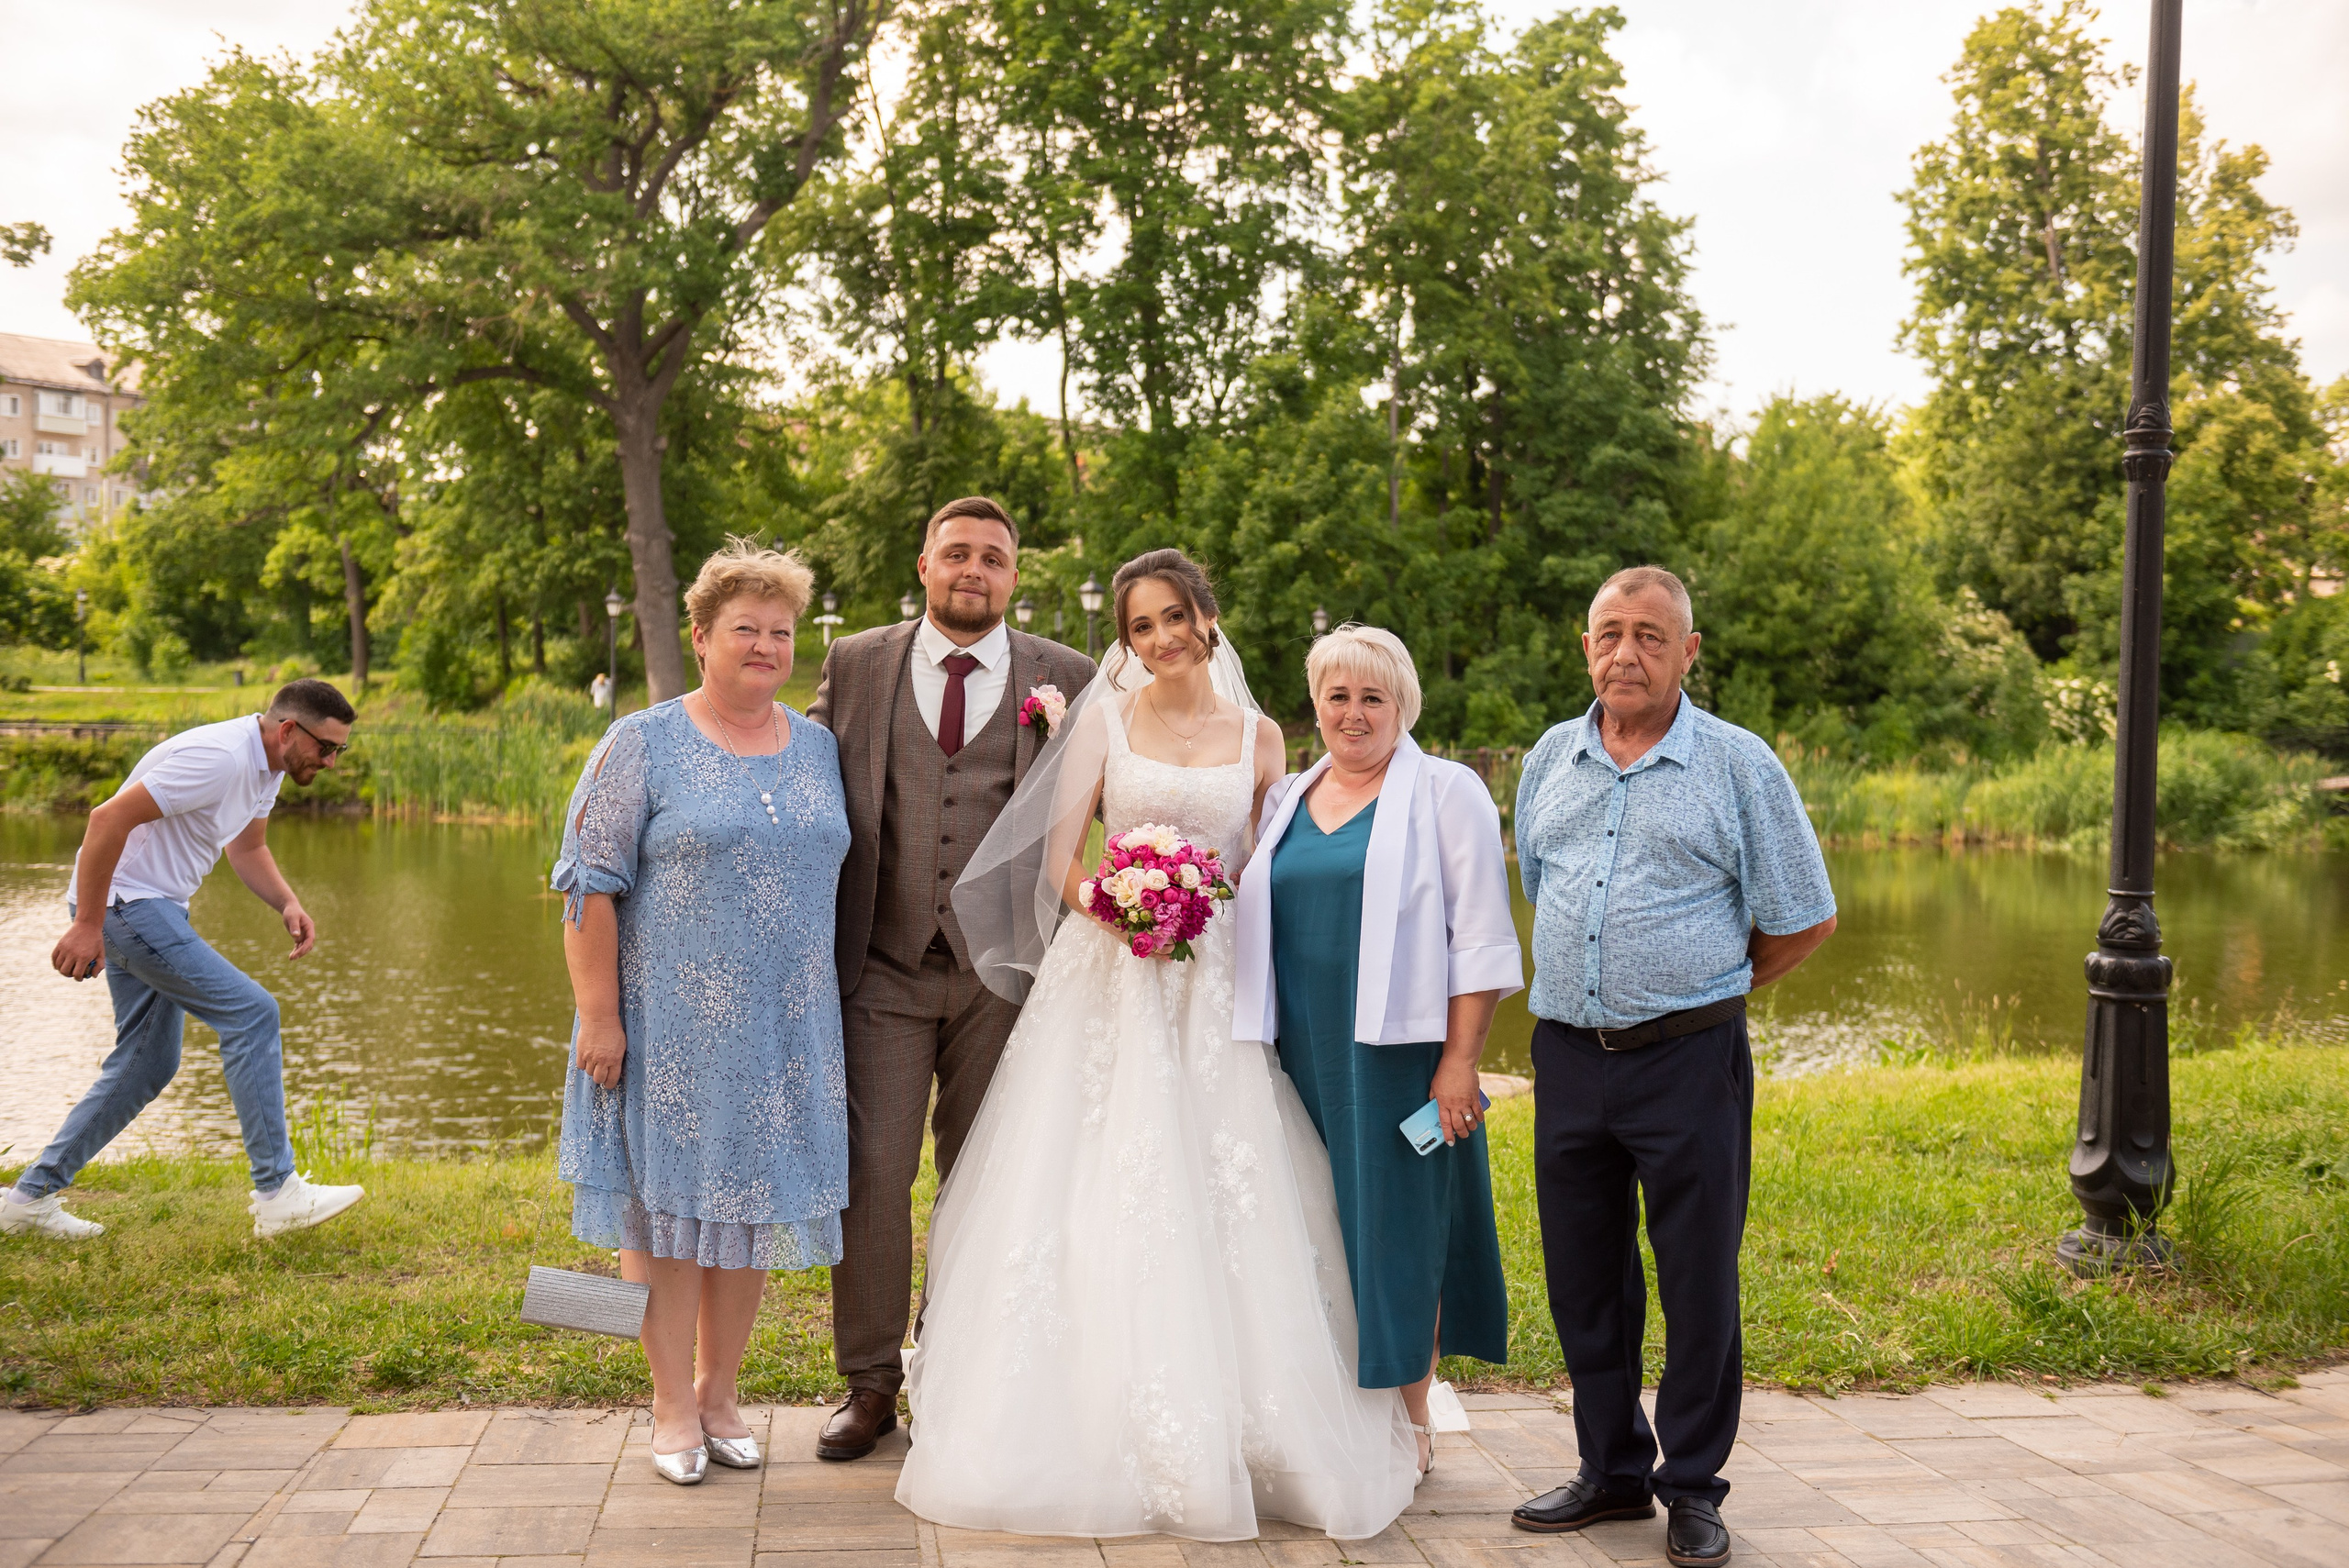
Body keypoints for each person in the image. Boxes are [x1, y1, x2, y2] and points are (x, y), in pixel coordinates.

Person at [895, 550, 1419, 1541]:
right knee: (1091, 1177)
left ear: (1207, 616)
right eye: (1142, 625)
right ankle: (1080, 1419)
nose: (1162, 637)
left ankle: (1257, 1429)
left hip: (1216, 983)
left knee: (1232, 1180)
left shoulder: (1263, 736)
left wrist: (1203, 914)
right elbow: (1057, 862)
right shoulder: (1103, 719)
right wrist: (1125, 905)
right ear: (1126, 638)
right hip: (1111, 974)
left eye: (1176, 616)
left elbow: (1269, 868)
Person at [1508, 566, 1836, 1568]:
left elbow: (1804, 915)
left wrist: (1711, 989)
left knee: (1697, 1278)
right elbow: (1538, 880)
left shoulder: (1737, 764)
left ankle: (1691, 1483)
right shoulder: (1547, 761)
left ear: (1688, 651)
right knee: (1583, 1278)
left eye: (1651, 635)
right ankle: (1609, 1469)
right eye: (1611, 632)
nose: (1627, 653)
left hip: (1686, 1059)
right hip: (1565, 1053)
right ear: (1584, 644)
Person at [805, 495, 1097, 1462]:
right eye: (957, 552)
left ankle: (960, 1372)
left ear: (1016, 576)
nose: (974, 568)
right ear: (924, 564)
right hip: (880, 963)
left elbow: (1119, 794)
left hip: (1005, 975)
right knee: (875, 1175)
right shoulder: (856, 662)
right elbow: (807, 778)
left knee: (984, 1180)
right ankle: (870, 1382)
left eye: (994, 557)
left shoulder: (1070, 675)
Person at [553, 539, 850, 1486]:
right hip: (668, 1032)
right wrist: (598, 1015)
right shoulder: (641, 740)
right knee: (666, 1222)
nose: (764, 645)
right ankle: (670, 1401)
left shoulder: (817, 745)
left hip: (787, 1032)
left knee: (750, 1220)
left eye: (780, 631)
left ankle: (723, 1392)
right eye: (744, 629)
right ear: (701, 636)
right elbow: (586, 888)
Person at [1232, 623, 1522, 1479]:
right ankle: (1330, 1413)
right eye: (1337, 696)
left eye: (1372, 697)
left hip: (1397, 1055)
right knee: (1313, 1226)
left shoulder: (1446, 791)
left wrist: (1460, 1062)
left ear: (1402, 706)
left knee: (1399, 1229)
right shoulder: (1286, 796)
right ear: (1314, 705)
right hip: (1295, 1049)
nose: (1353, 714)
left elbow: (1481, 939)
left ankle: (1412, 1415)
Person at [1, 679, 367, 1242]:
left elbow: (247, 848)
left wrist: (287, 901)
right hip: (128, 904)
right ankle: (278, 1193)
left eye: (340, 751)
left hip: (152, 906)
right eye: (326, 748)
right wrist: (87, 924)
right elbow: (106, 820)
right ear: (290, 730)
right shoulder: (218, 758)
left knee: (148, 1062)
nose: (332, 762)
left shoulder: (266, 768)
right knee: (252, 1013)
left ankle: (30, 1198)